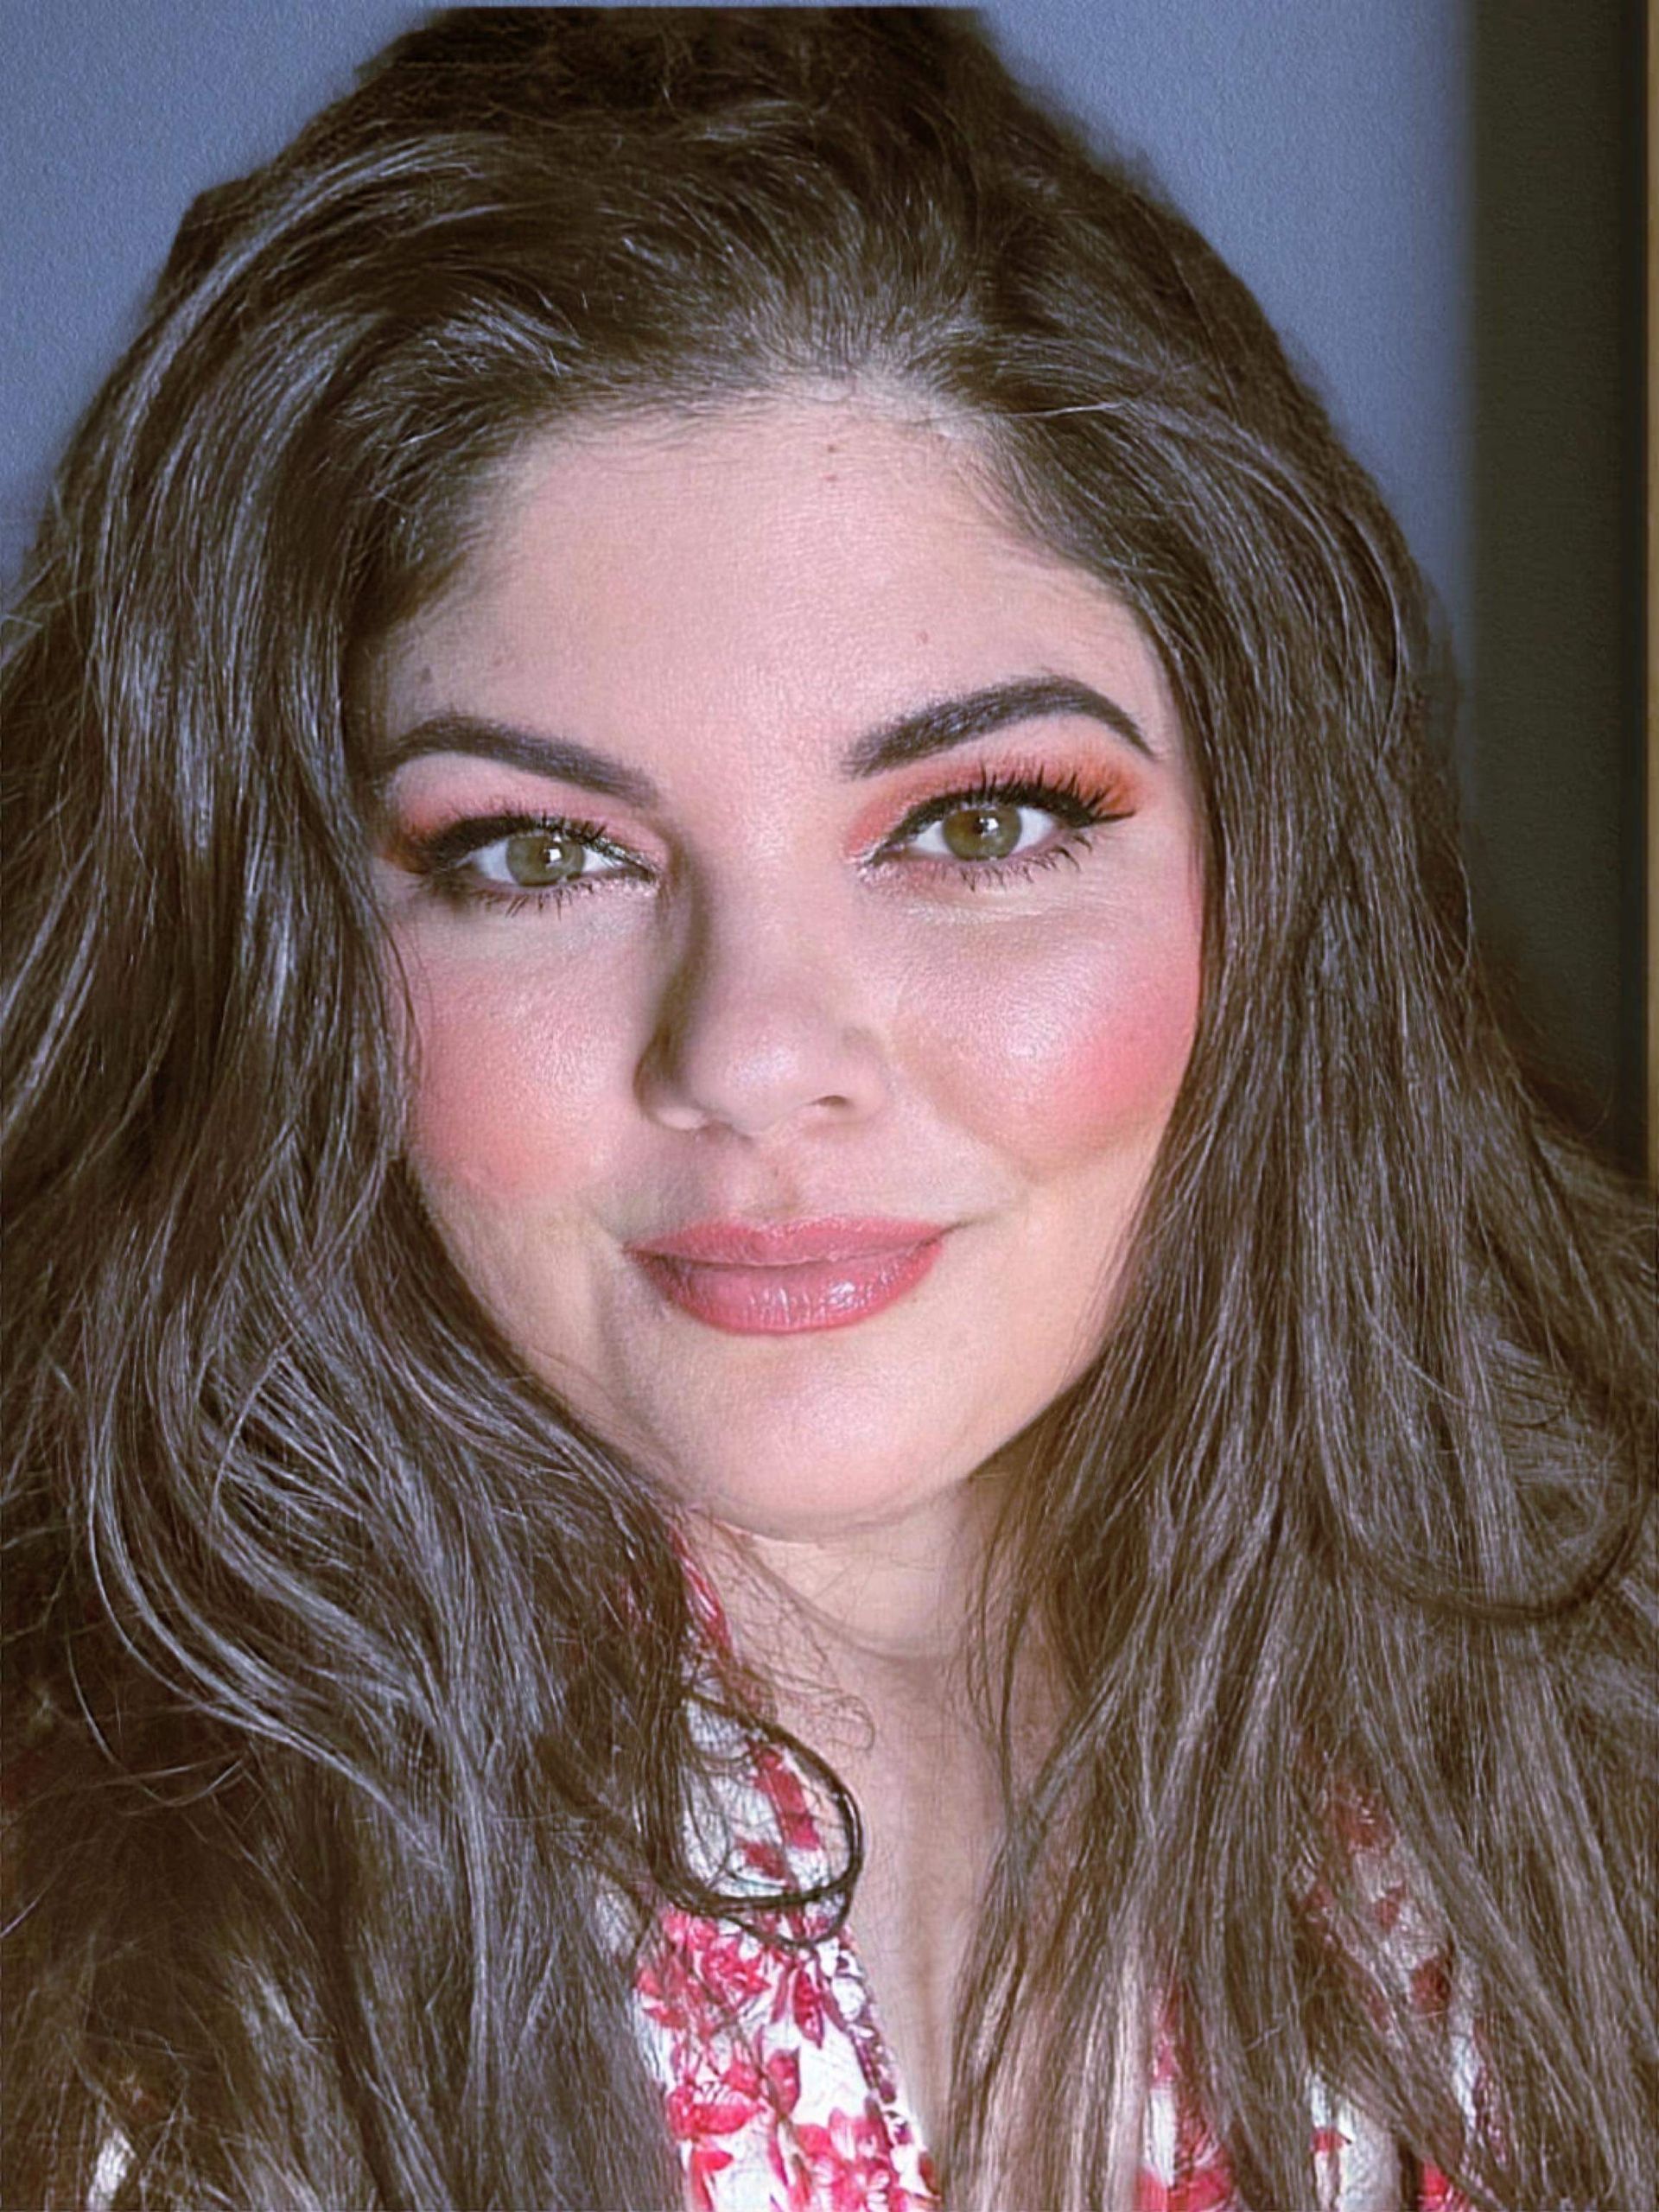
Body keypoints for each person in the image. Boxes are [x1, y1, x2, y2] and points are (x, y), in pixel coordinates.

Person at [3, 10, 1652, 2209]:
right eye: (535, 850)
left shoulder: (1589, 1764)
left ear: (1268, 875)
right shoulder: (91, 1987)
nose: (760, 1047)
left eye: (977, 822)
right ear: (286, 948)